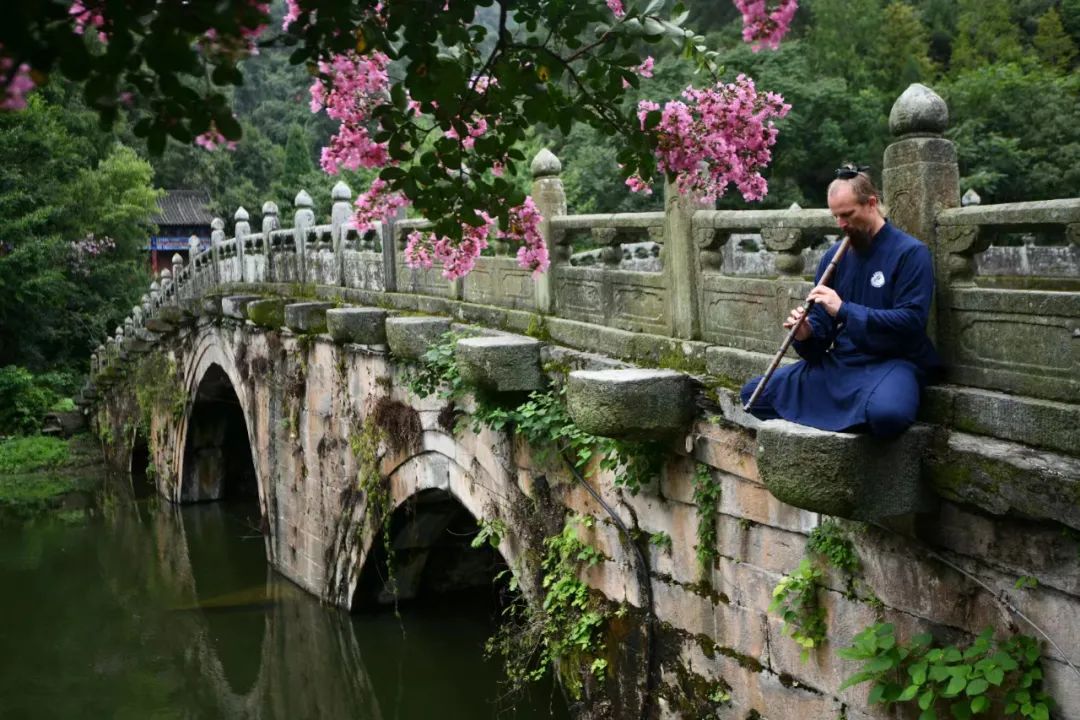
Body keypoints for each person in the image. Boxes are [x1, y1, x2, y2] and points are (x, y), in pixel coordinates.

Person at [740, 165, 940, 436]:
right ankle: (847, 417)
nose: (842, 225)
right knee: (755, 394)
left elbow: (912, 321)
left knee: (888, 415)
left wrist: (845, 310)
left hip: (893, 361)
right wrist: (807, 333)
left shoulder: (911, 253)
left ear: (871, 204)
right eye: (836, 216)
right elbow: (822, 333)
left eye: (848, 215)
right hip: (843, 362)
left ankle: (850, 413)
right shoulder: (834, 257)